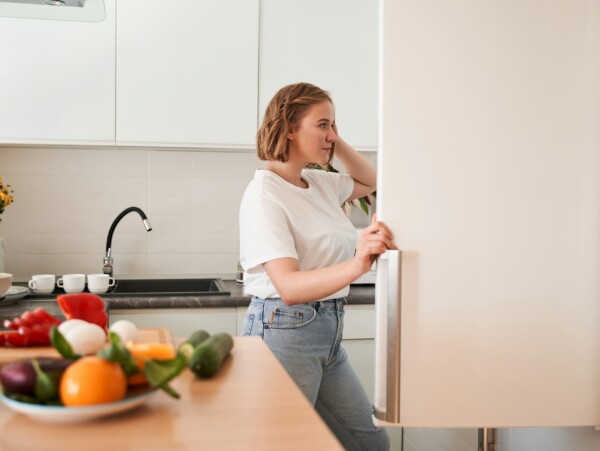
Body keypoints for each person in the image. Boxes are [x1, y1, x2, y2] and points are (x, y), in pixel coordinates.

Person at [239, 82, 395, 450]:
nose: (331, 135)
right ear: (290, 129)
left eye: (333, 125)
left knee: (370, 443)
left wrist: (335, 141)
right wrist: (358, 264)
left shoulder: (320, 183)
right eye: (322, 125)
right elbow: (289, 287)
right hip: (283, 332)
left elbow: (372, 182)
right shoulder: (265, 194)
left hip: (327, 333)